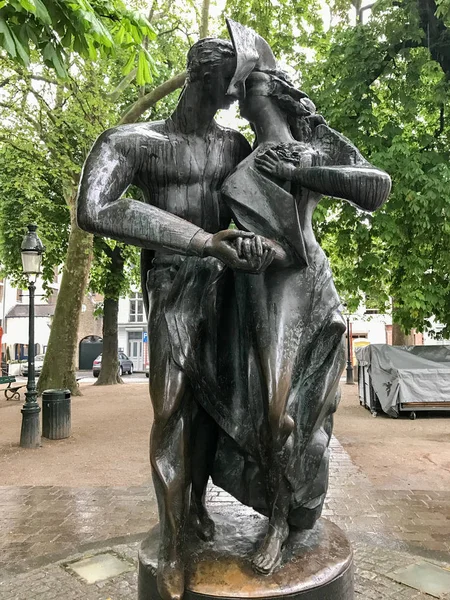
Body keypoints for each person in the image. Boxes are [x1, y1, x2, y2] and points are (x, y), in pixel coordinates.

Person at [77, 37, 275, 600]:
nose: (236, 94)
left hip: (228, 289)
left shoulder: (235, 145)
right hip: (172, 287)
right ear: (201, 76)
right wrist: (199, 240)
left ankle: (194, 505)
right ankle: (170, 539)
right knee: (170, 409)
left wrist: (255, 246)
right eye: (230, 81)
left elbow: (259, 213)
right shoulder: (132, 143)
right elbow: (95, 208)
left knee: (215, 410)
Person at [216, 19, 391, 575]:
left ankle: (287, 515)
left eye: (252, 82)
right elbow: (227, 235)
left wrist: (306, 166)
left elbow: (376, 187)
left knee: (300, 414)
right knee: (268, 410)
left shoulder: (313, 145)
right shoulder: (239, 166)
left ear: (278, 92)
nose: (243, 91)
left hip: (307, 285)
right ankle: (275, 511)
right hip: (259, 293)